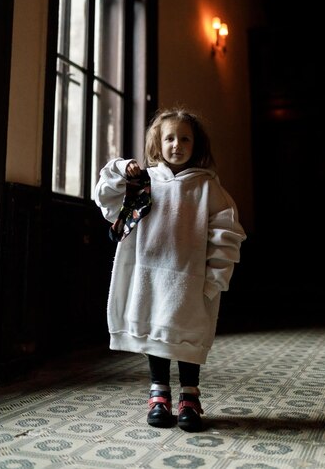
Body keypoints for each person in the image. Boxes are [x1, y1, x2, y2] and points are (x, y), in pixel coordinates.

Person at [94, 107, 246, 431]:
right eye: (170, 138)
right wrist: (122, 169)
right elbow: (106, 199)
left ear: (197, 145)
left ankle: (189, 395)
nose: (177, 144)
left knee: (187, 335)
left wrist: (214, 278)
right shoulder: (145, 183)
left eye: (185, 138)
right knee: (156, 332)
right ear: (157, 143)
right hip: (150, 274)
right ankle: (158, 393)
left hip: (190, 278)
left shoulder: (208, 188)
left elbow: (226, 232)